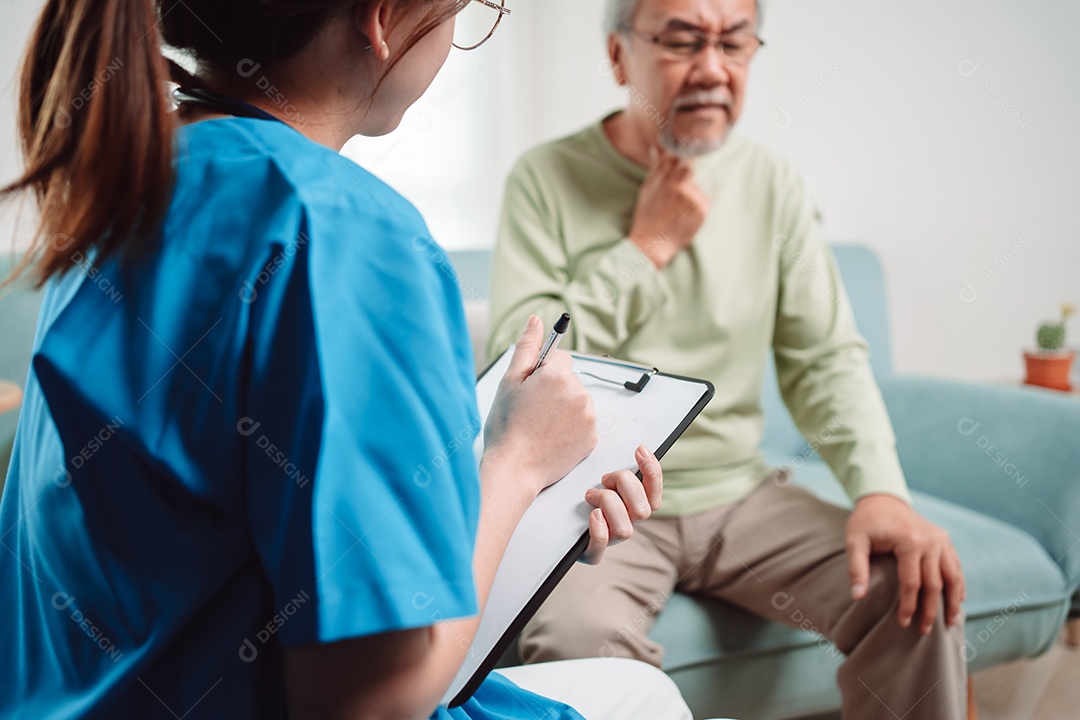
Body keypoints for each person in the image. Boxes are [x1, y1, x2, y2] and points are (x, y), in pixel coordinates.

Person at [0, 1, 694, 718]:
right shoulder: (345, 234)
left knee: (642, 690)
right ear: (384, 18)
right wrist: (517, 467)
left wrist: (526, 521)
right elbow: (375, 703)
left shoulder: (124, 187)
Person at [486, 0, 969, 717]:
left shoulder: (771, 184)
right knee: (579, 643)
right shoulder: (543, 179)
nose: (713, 69)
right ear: (619, 57)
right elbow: (524, 369)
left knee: (911, 585)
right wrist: (647, 247)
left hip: (741, 495)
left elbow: (824, 358)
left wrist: (881, 491)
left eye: (735, 43)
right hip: (598, 504)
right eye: (683, 40)